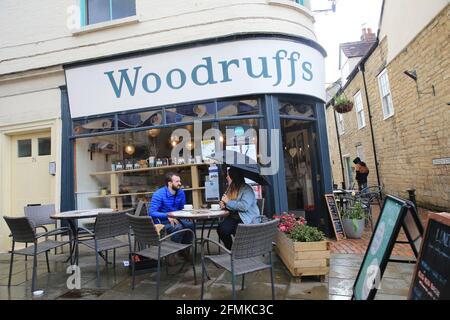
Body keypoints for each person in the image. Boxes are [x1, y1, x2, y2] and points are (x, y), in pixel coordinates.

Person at [149, 172, 195, 252]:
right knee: (179, 227)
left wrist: (188, 214)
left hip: (178, 218)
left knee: (190, 225)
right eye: (177, 181)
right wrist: (167, 215)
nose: (180, 183)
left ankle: (185, 250)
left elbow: (182, 208)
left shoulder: (181, 192)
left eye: (179, 181)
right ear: (170, 183)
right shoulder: (159, 194)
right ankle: (172, 252)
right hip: (163, 221)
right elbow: (152, 212)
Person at [217, 167, 260, 250]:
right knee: (221, 229)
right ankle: (231, 250)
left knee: (238, 231)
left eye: (228, 175)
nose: (226, 177)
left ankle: (242, 251)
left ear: (234, 177)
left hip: (247, 218)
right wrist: (223, 204)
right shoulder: (231, 189)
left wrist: (228, 202)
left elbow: (244, 206)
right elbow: (229, 204)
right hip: (235, 217)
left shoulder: (247, 189)